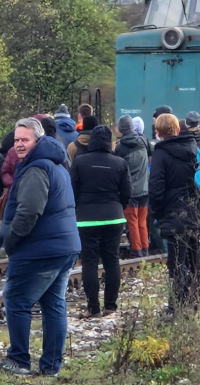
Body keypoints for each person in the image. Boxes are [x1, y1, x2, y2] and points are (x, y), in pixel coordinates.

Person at [0, 118, 80, 376]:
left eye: (25, 140)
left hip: (40, 249)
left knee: (16, 299)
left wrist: (10, 238)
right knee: (54, 304)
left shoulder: (36, 169)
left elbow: (29, 211)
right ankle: (51, 365)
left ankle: (19, 360)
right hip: (63, 246)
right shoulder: (57, 165)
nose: (19, 145)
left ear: (37, 140)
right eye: (17, 140)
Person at [71, 125, 132, 317]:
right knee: (112, 260)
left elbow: (72, 190)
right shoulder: (120, 163)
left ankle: (93, 308)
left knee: (89, 263)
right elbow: (127, 192)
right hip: (113, 217)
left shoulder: (80, 162)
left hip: (86, 218)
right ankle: (110, 306)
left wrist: (80, 208)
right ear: (110, 142)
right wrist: (116, 206)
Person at [149, 113, 200, 311]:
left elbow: (156, 187)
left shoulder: (161, 153)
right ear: (177, 129)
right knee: (195, 260)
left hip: (173, 213)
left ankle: (176, 305)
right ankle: (194, 302)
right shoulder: (194, 147)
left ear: (158, 132)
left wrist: (158, 212)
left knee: (177, 262)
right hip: (196, 212)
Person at [114, 115, 152, 257]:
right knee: (142, 222)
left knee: (132, 222)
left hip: (130, 191)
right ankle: (145, 249)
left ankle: (136, 252)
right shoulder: (143, 141)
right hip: (145, 188)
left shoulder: (120, 147)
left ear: (121, 129)